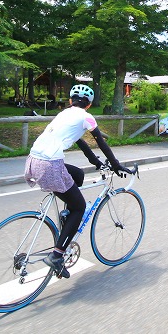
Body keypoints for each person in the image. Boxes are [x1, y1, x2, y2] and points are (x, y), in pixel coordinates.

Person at [24, 84, 124, 279]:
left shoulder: (65, 114)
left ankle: (66, 215)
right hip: (50, 165)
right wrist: (116, 164)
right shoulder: (87, 117)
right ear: (89, 105)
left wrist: (95, 162)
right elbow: (101, 143)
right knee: (79, 207)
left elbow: (80, 141)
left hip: (33, 162)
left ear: (71, 101)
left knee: (77, 175)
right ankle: (57, 256)